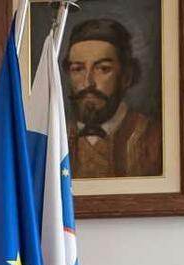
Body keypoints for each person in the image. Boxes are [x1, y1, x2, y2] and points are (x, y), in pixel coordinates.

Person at [64, 18, 163, 178]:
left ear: (126, 76)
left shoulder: (154, 138)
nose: (88, 83)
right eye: (78, 69)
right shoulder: (54, 137)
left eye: (103, 69)